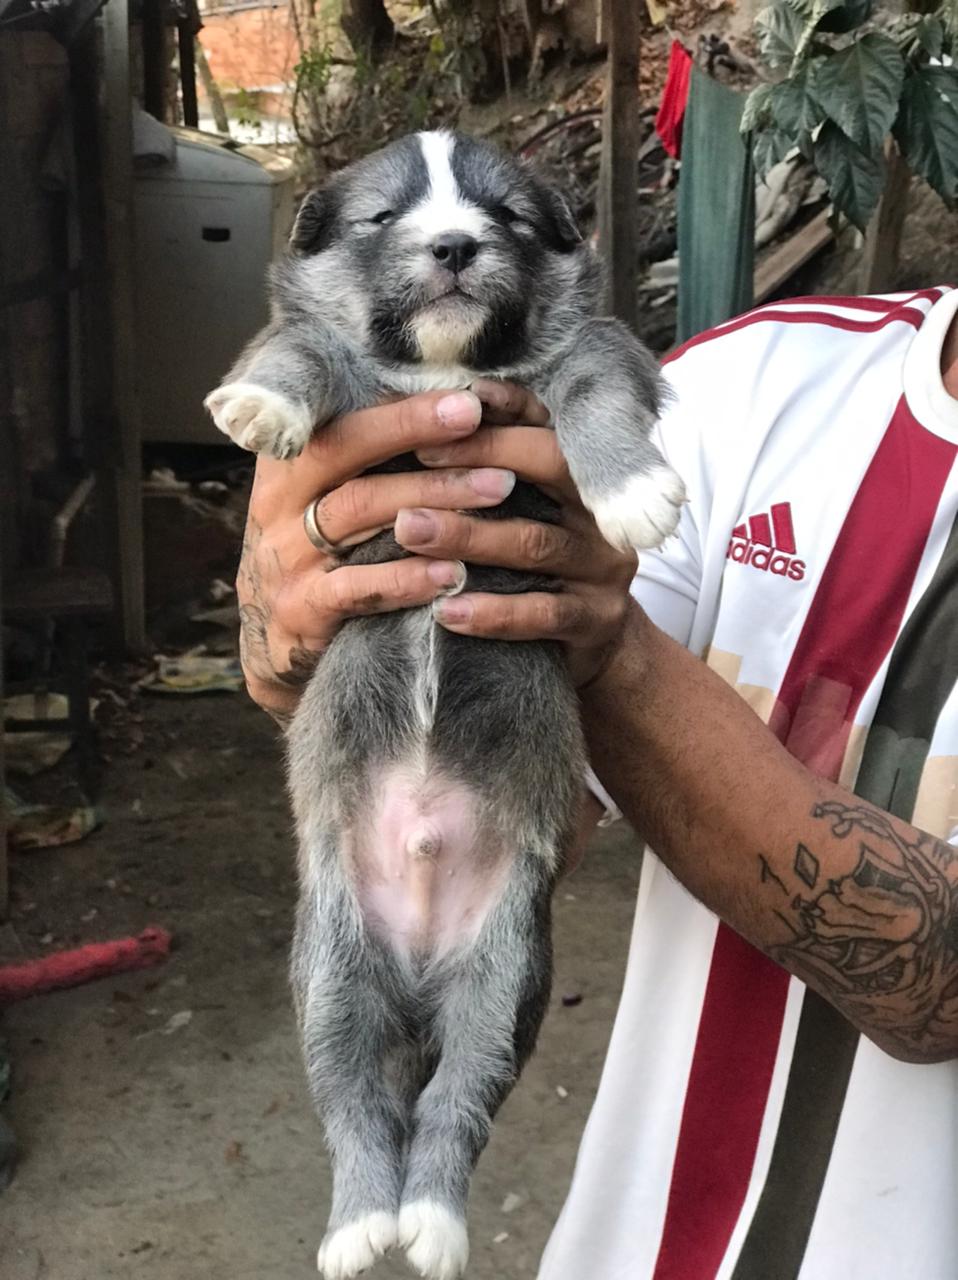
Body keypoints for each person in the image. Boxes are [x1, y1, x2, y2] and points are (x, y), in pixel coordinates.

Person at [237, 285, 958, 1279]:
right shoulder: (755, 383)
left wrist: (605, 644)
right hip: (641, 1245)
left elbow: (941, 983)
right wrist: (330, 620)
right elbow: (532, 803)